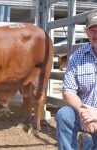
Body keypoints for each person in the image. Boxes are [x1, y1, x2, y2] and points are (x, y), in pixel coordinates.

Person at [55, 10, 97, 150]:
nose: (96, 35)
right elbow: (68, 91)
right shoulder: (77, 56)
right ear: (86, 32)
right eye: (93, 30)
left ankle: (87, 143)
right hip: (83, 115)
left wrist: (95, 114)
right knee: (64, 115)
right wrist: (83, 113)